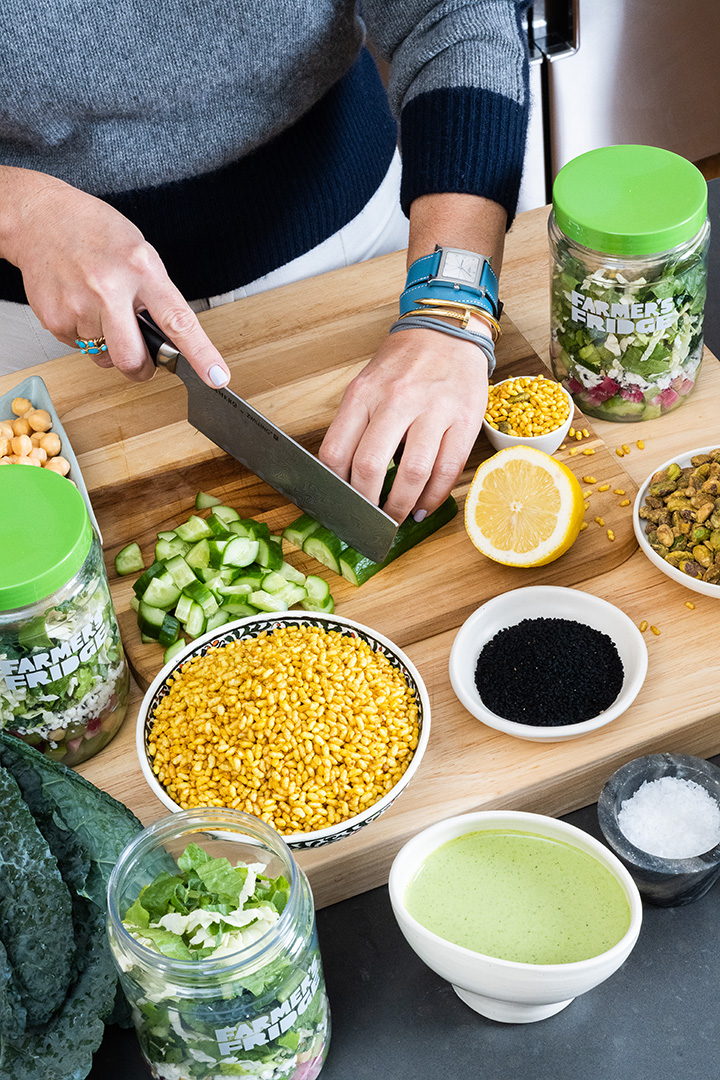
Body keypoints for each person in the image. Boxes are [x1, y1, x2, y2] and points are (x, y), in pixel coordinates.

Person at [0, 1, 531, 525]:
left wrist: (448, 304)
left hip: (356, 252)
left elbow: (454, 14)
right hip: (41, 304)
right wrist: (19, 214)